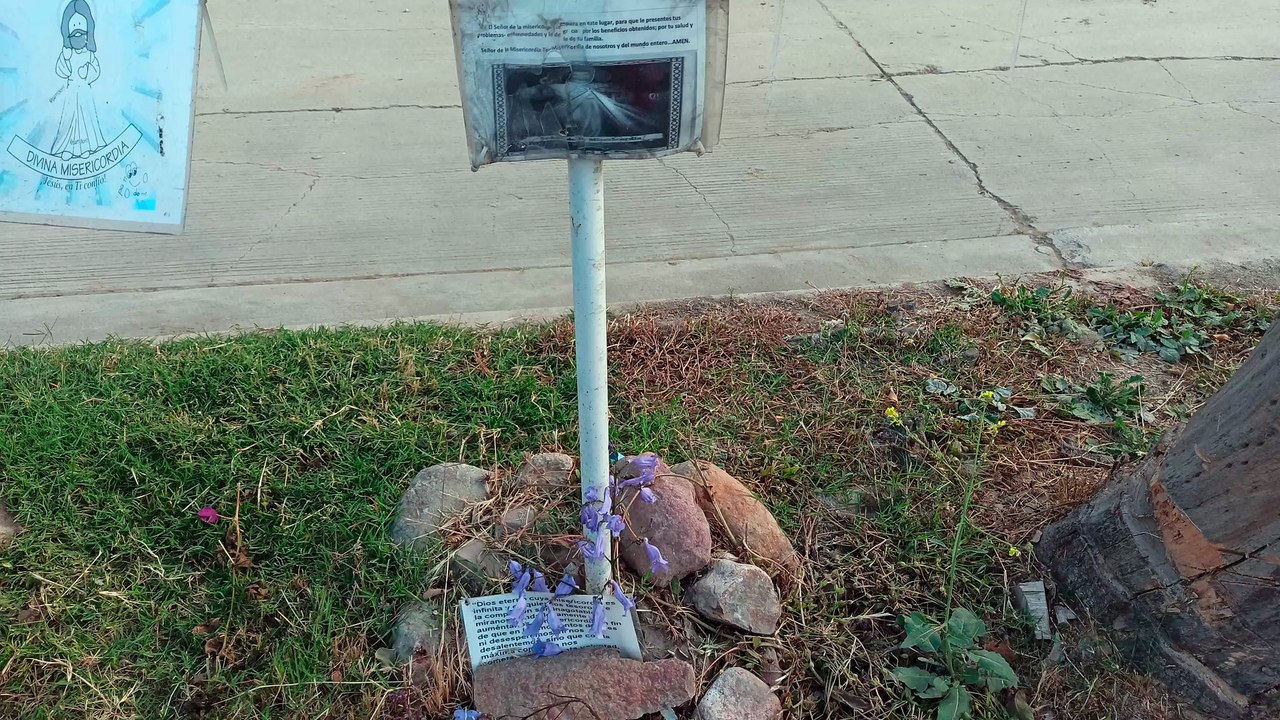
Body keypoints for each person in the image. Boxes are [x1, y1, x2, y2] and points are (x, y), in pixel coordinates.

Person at [50, 0, 107, 161]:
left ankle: (86, 147)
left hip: (84, 93)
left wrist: (87, 71)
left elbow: (96, 70)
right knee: (70, 120)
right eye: (73, 25)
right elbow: (61, 70)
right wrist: (66, 60)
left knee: (86, 119)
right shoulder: (67, 53)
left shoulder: (89, 54)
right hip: (71, 93)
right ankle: (68, 148)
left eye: (80, 24)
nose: (77, 29)